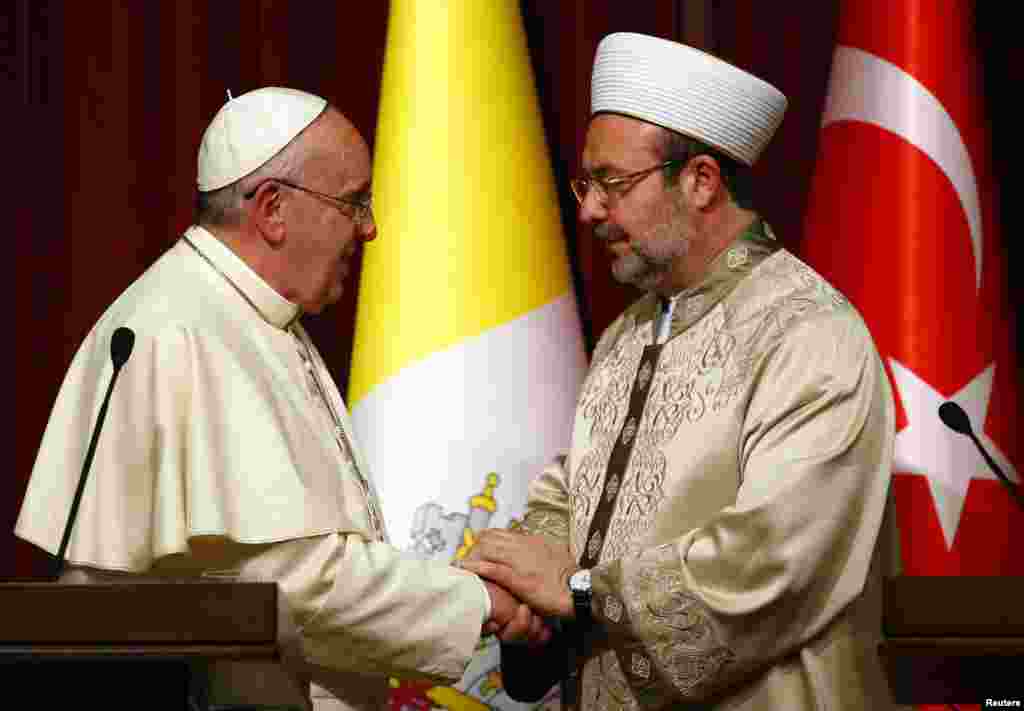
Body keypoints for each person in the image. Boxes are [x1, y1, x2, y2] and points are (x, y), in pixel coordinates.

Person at [15, 87, 545, 711]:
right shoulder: (182, 329)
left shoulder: (251, 316)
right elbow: (282, 582)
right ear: (272, 209)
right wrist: (478, 600)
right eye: (354, 202)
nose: (370, 228)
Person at [462, 33, 900, 710]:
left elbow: (768, 563)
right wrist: (515, 579)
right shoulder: (627, 334)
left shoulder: (811, 335)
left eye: (613, 183)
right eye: (586, 183)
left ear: (700, 180)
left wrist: (579, 592)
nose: (589, 210)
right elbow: (568, 499)